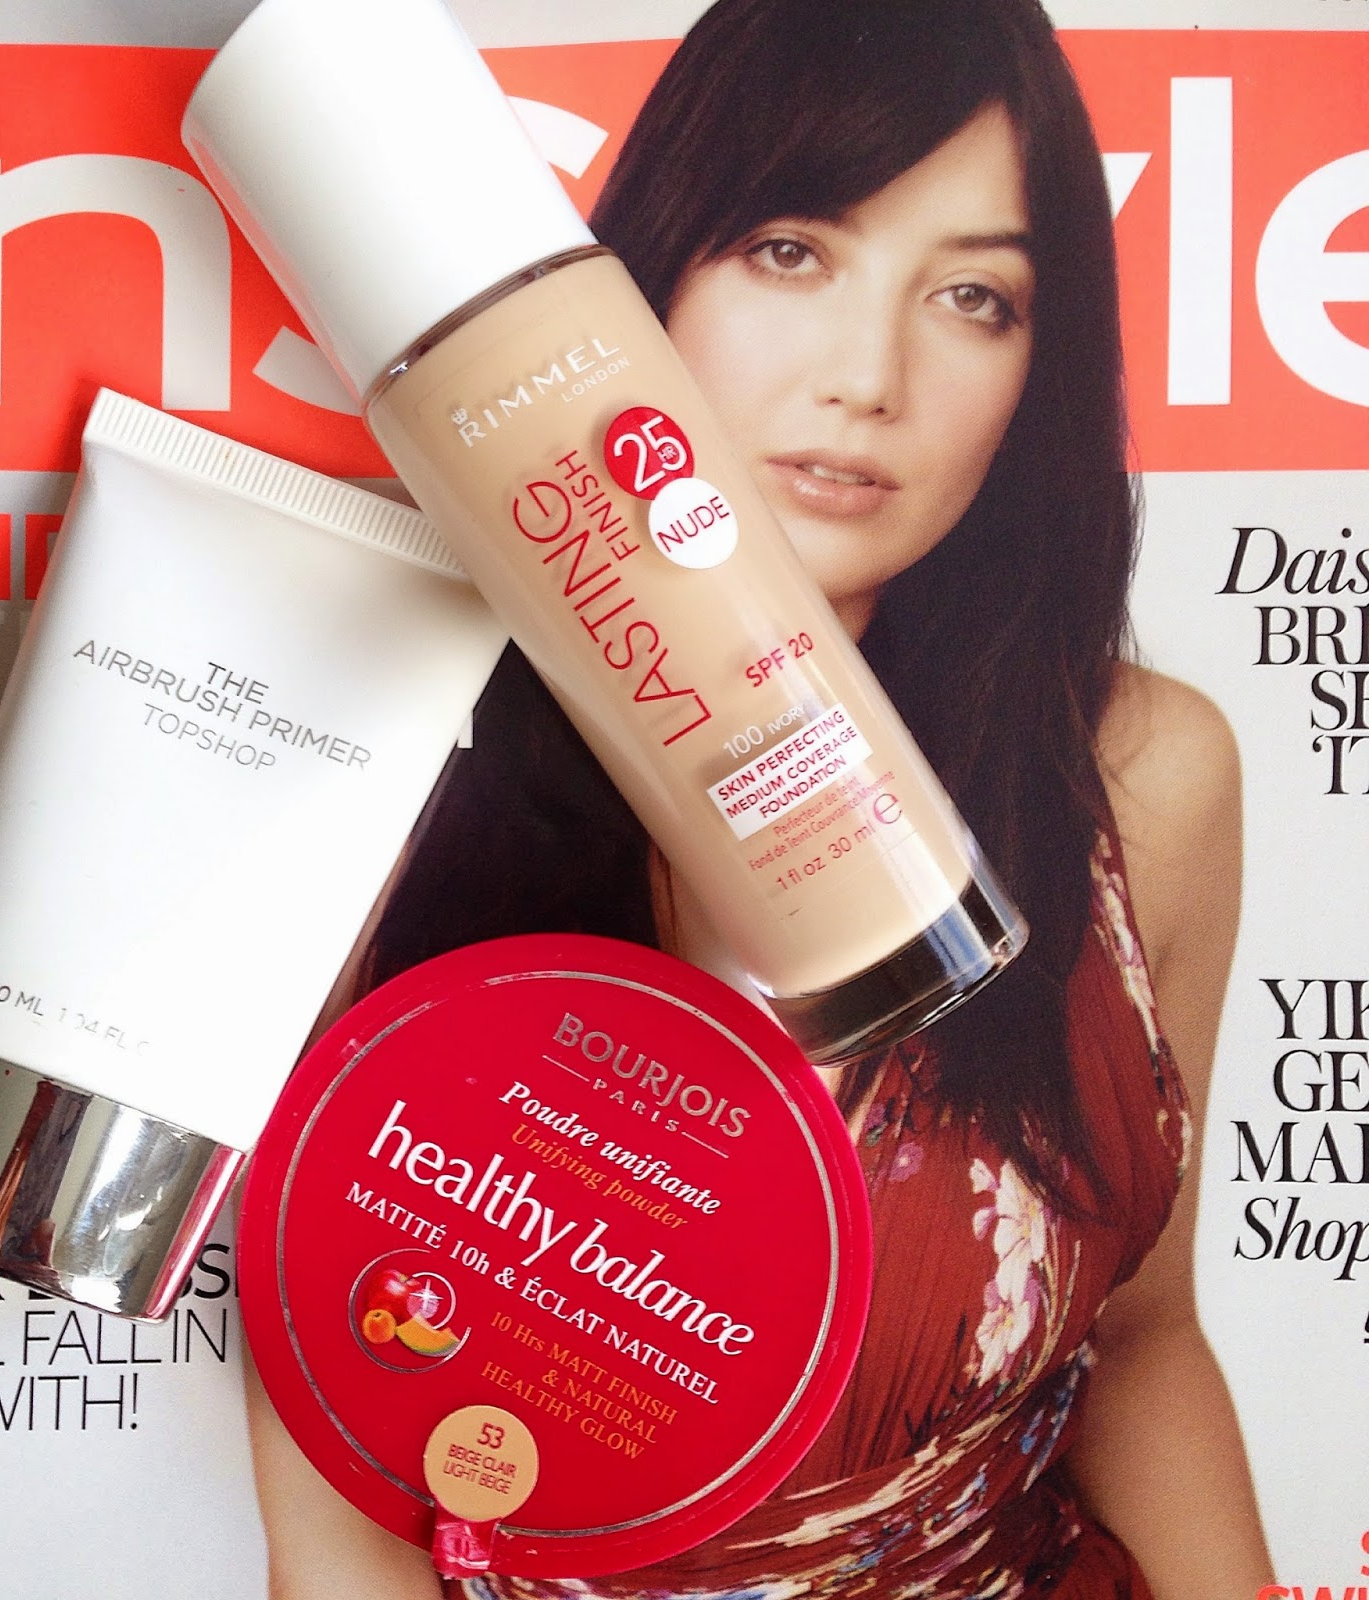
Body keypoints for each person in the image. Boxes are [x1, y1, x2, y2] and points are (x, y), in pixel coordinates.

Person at [246, 0, 1275, 1594]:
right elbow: (338, 1506)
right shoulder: (379, 782)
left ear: (1040, 366)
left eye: (976, 297)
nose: (870, 378)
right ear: (648, 281)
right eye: (792, 252)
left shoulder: (1141, 781)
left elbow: (1142, 1343)